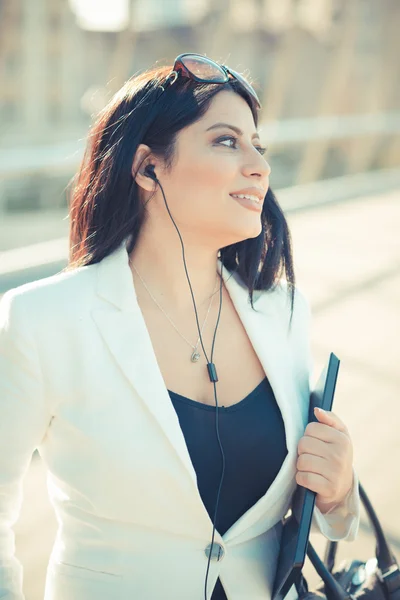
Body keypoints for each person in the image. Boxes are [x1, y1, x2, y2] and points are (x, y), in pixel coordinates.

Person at [0, 53, 360, 600]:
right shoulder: (42, 320)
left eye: (257, 146)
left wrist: (339, 492)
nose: (259, 165)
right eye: (226, 141)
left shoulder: (285, 314)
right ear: (148, 168)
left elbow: (315, 525)